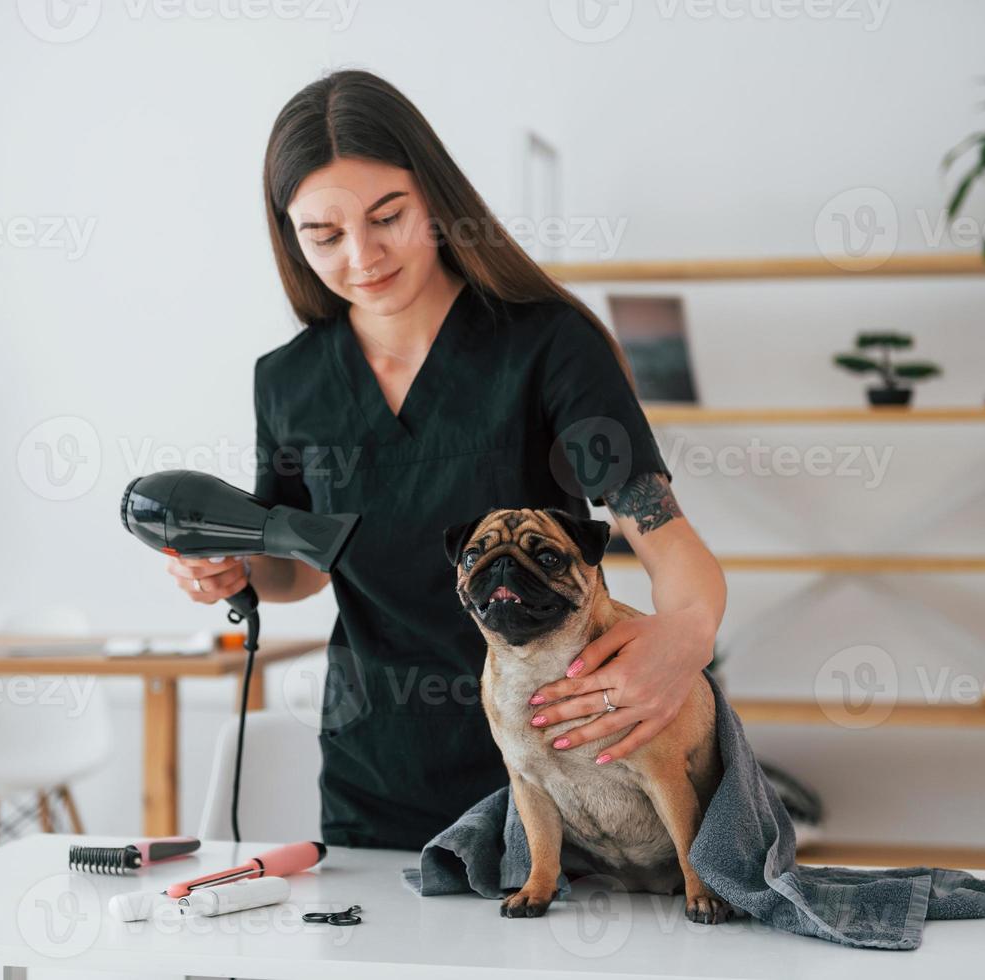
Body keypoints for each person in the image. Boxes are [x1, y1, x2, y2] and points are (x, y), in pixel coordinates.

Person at [167, 69, 726, 851]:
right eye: (323, 236)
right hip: (378, 774)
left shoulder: (549, 346)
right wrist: (234, 570)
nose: (361, 257)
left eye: (387, 216)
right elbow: (299, 568)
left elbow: (667, 539)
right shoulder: (289, 381)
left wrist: (688, 636)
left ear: (434, 196)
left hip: (565, 774)